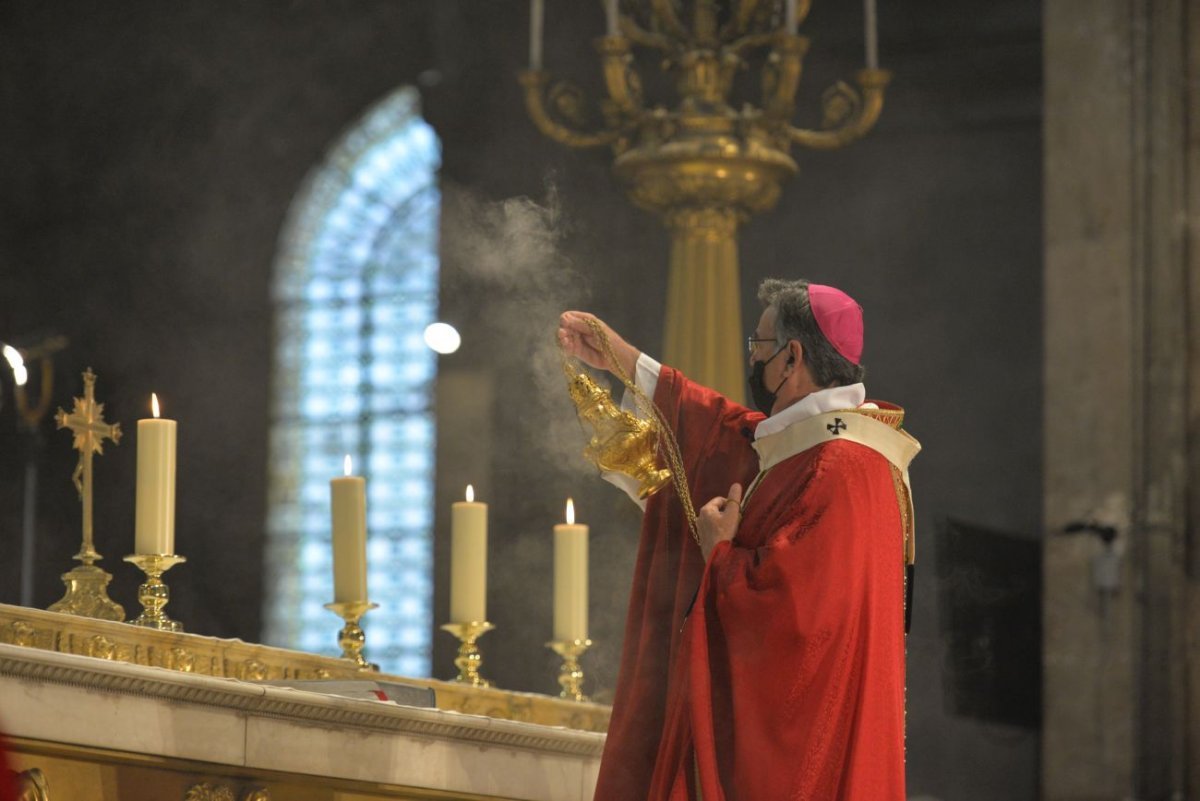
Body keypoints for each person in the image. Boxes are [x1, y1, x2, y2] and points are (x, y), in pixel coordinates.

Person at [557, 278, 919, 801]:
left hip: (797, 763)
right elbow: (730, 432)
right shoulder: (831, 447)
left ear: (792, 358)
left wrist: (720, 554)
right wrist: (624, 360)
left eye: (759, 346)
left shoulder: (841, 466)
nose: (752, 359)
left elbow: (794, 621)